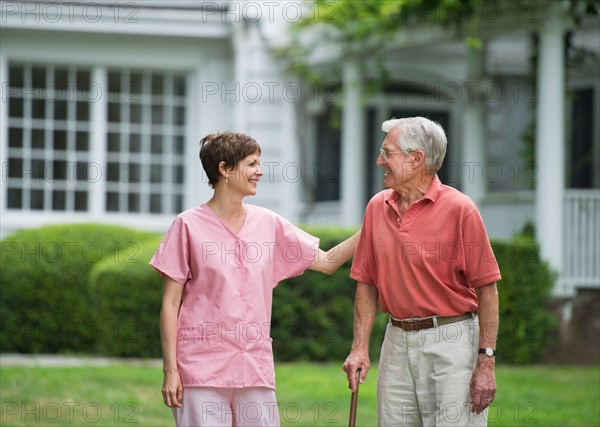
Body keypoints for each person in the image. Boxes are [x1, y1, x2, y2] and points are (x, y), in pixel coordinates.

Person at [149, 131, 359, 426]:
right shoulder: (187, 226)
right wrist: (171, 370)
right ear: (224, 169)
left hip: (254, 366)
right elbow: (170, 304)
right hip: (200, 368)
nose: (260, 171)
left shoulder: (268, 224)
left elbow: (327, 262)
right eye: (251, 164)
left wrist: (374, 222)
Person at [342, 117, 501, 426]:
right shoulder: (377, 207)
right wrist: (359, 347)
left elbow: (487, 289)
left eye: (387, 153)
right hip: (396, 341)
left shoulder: (460, 209)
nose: (379, 161)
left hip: (452, 341)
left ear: (416, 160)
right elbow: (366, 282)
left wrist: (486, 361)